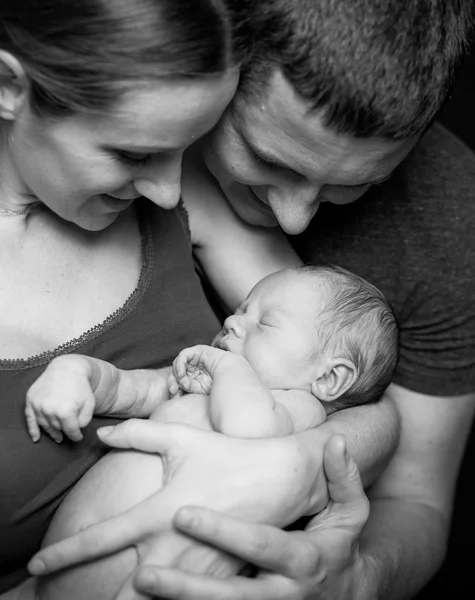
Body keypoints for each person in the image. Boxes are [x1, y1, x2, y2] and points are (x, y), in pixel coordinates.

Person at [29, 2, 475, 600]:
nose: (294, 219)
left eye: (354, 185)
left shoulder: (452, 216)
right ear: (218, 65)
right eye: (266, 158)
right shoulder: (135, 150)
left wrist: (353, 578)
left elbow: (412, 492)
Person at [0, 0, 254, 595]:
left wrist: (287, 469)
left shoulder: (188, 192)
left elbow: (350, 360)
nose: (168, 193)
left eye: (191, 143)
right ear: (9, 86)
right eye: (133, 154)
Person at [24, 264, 397, 600]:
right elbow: (128, 390)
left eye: (264, 323)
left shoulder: (297, 407)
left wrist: (224, 365)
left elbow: (248, 429)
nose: (234, 322)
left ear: (330, 378)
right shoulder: (211, 379)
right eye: (240, 310)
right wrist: (76, 373)